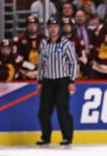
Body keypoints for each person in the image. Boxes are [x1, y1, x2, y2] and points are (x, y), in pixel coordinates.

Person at [36, 17, 78, 146]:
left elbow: (74, 63)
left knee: (62, 109)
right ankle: (45, 136)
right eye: (50, 26)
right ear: (47, 28)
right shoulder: (44, 43)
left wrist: (72, 81)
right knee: (44, 110)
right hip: (47, 81)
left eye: (55, 26)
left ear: (58, 28)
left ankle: (67, 137)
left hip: (62, 81)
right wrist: (40, 81)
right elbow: (41, 64)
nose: (53, 29)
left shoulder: (66, 43)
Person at [13, 15, 46, 79]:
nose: (32, 27)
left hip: (41, 67)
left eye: (34, 25)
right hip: (25, 67)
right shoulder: (19, 39)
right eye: (30, 25)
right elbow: (15, 57)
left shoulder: (43, 38)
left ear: (37, 26)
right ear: (26, 26)